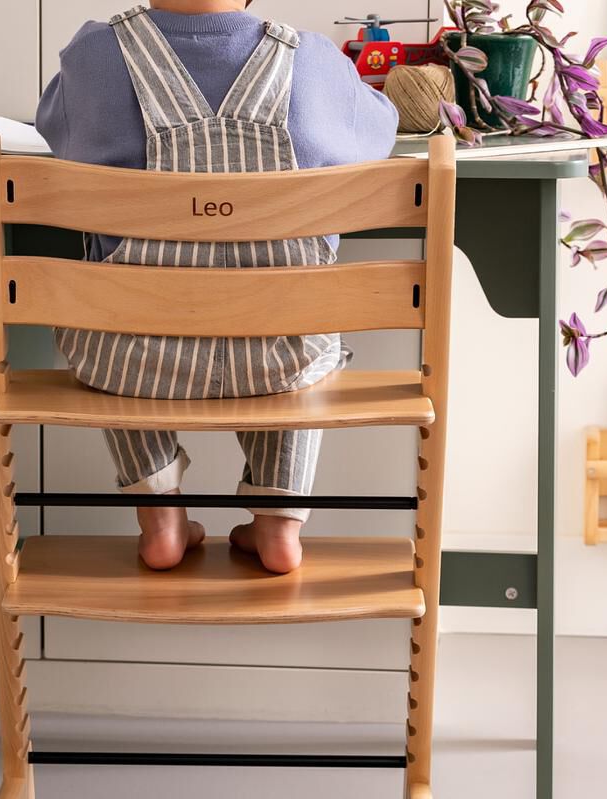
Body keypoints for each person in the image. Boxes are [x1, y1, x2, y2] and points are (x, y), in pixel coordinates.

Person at [36, 0, 398, 573]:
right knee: (299, 319)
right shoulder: (315, 61)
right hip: (280, 355)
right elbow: (381, 130)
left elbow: (54, 128)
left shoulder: (94, 57)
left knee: (111, 319)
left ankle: (160, 519)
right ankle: (280, 523)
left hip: (132, 354)